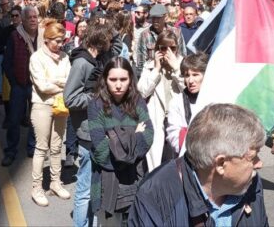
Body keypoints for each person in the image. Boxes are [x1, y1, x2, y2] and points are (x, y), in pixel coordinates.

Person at [128, 103, 268, 227]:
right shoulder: (155, 196)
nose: (259, 164)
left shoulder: (250, 184)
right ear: (221, 163)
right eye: (253, 158)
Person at [89, 57, 153, 226]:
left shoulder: (138, 101)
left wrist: (115, 141)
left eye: (123, 79)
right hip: (107, 180)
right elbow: (101, 151)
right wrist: (134, 136)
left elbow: (148, 136)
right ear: (105, 80)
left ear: (130, 79)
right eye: (113, 79)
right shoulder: (96, 105)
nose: (118, 85)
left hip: (135, 178)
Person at [65, 23, 113, 227]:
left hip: (98, 131)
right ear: (101, 41)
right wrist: (95, 95)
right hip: (86, 134)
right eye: (109, 40)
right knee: (84, 189)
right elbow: (70, 99)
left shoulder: (98, 60)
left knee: (96, 188)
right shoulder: (82, 63)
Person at [29, 18, 71, 206]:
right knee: (41, 148)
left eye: (62, 41)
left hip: (61, 106)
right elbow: (42, 86)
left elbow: (69, 81)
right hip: (42, 106)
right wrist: (60, 83)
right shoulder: (36, 58)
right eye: (57, 41)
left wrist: (56, 83)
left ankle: (55, 182)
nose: (60, 45)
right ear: (47, 39)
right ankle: (36, 188)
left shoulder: (65, 57)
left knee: (57, 146)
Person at [137, 30, 184, 171]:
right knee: (155, 163)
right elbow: (142, 92)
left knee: (178, 161)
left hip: (177, 119)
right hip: (156, 119)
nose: (168, 52)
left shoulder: (183, 65)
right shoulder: (150, 66)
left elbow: (188, 90)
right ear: (157, 49)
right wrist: (156, 69)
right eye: (163, 48)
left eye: (172, 48)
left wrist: (176, 69)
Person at [2, 6, 39, 166]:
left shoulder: (43, 36)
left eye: (35, 17)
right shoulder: (15, 36)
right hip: (18, 85)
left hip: (36, 85)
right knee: (14, 119)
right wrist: (13, 80)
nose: (32, 20)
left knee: (35, 119)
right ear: (22, 20)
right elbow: (7, 61)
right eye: (29, 17)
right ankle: (11, 150)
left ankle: (32, 147)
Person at [166, 52, 208, 154]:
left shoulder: (215, 98)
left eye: (195, 75)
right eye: (187, 75)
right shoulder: (177, 102)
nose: (190, 80)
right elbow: (174, 136)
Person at [135, 4, 185, 74]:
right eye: (153, 18)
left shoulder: (176, 33)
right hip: (153, 75)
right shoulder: (145, 35)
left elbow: (182, 56)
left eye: (158, 18)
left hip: (173, 74)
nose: (155, 20)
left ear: (165, 17)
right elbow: (141, 61)